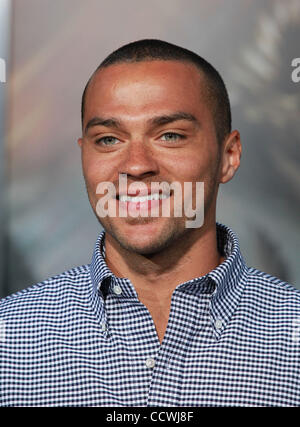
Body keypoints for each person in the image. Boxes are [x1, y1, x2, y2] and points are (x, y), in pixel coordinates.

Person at [0, 39, 299, 407]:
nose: (137, 165)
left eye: (170, 135)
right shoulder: (10, 338)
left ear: (228, 156)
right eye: (108, 139)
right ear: (83, 157)